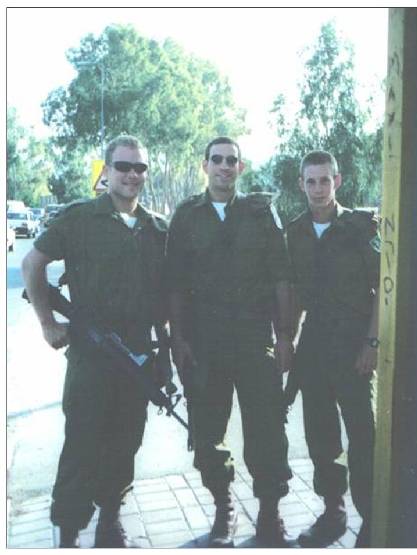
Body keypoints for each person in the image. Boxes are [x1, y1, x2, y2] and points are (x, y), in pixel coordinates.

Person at [21, 135, 171, 548]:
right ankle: (68, 535)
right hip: (91, 353)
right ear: (106, 172)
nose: (132, 175)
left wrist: (165, 355)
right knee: (82, 444)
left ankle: (110, 523)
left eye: (139, 168)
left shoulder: (156, 228)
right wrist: (48, 323)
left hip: (136, 354)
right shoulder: (80, 219)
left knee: (126, 441)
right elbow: (32, 263)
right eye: (123, 166)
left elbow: (163, 299)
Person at [166, 137, 296, 548]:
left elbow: (282, 278)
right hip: (205, 344)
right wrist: (177, 339)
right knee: (207, 430)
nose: (224, 166)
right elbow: (174, 285)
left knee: (267, 429)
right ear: (205, 165)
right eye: (217, 159)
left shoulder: (261, 213)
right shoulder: (186, 216)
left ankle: (270, 511)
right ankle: (224, 506)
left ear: (241, 167)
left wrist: (285, 336)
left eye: (232, 160)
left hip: (255, 340)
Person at [286, 150, 380, 548]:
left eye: (325, 180)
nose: (318, 188)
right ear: (301, 185)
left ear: (337, 181)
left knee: (363, 435)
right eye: (311, 181)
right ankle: (333, 511)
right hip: (315, 348)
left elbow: (382, 289)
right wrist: (287, 340)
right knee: (320, 434)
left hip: (355, 347)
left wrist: (372, 342)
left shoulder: (360, 226)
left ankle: (372, 518)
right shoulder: (295, 231)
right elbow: (293, 293)